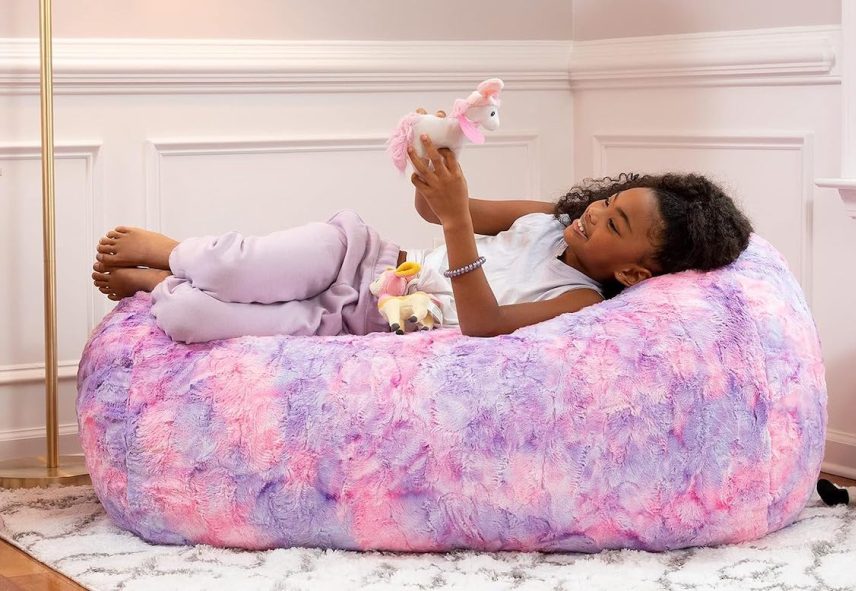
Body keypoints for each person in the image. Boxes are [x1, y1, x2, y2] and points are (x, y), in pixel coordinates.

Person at [91, 114, 753, 342]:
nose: (593, 212)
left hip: (371, 323)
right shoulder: (544, 220)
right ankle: (177, 252)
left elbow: (484, 323)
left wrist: (460, 216)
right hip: (360, 260)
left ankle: (161, 284)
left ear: (635, 270)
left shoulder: (578, 300)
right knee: (238, 268)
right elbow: (434, 213)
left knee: (186, 319)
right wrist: (439, 169)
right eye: (607, 200)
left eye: (614, 222)